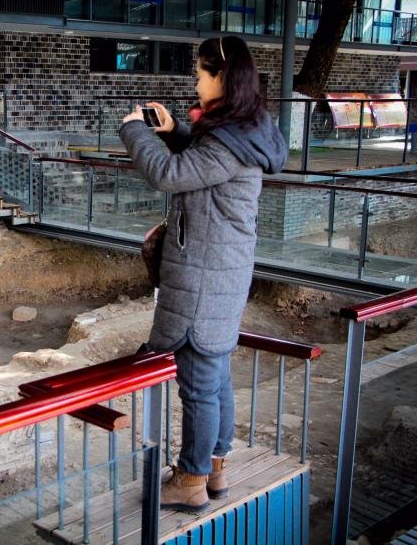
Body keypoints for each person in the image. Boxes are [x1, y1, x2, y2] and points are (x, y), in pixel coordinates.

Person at [120, 35, 287, 513]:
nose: (195, 81)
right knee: (214, 376)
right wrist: (174, 130)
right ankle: (215, 469)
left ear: (221, 76)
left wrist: (136, 131)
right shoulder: (245, 128)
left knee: (198, 383)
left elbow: (171, 175)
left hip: (204, 277)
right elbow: (204, 161)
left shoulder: (229, 140)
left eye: (200, 72)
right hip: (221, 272)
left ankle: (191, 478)